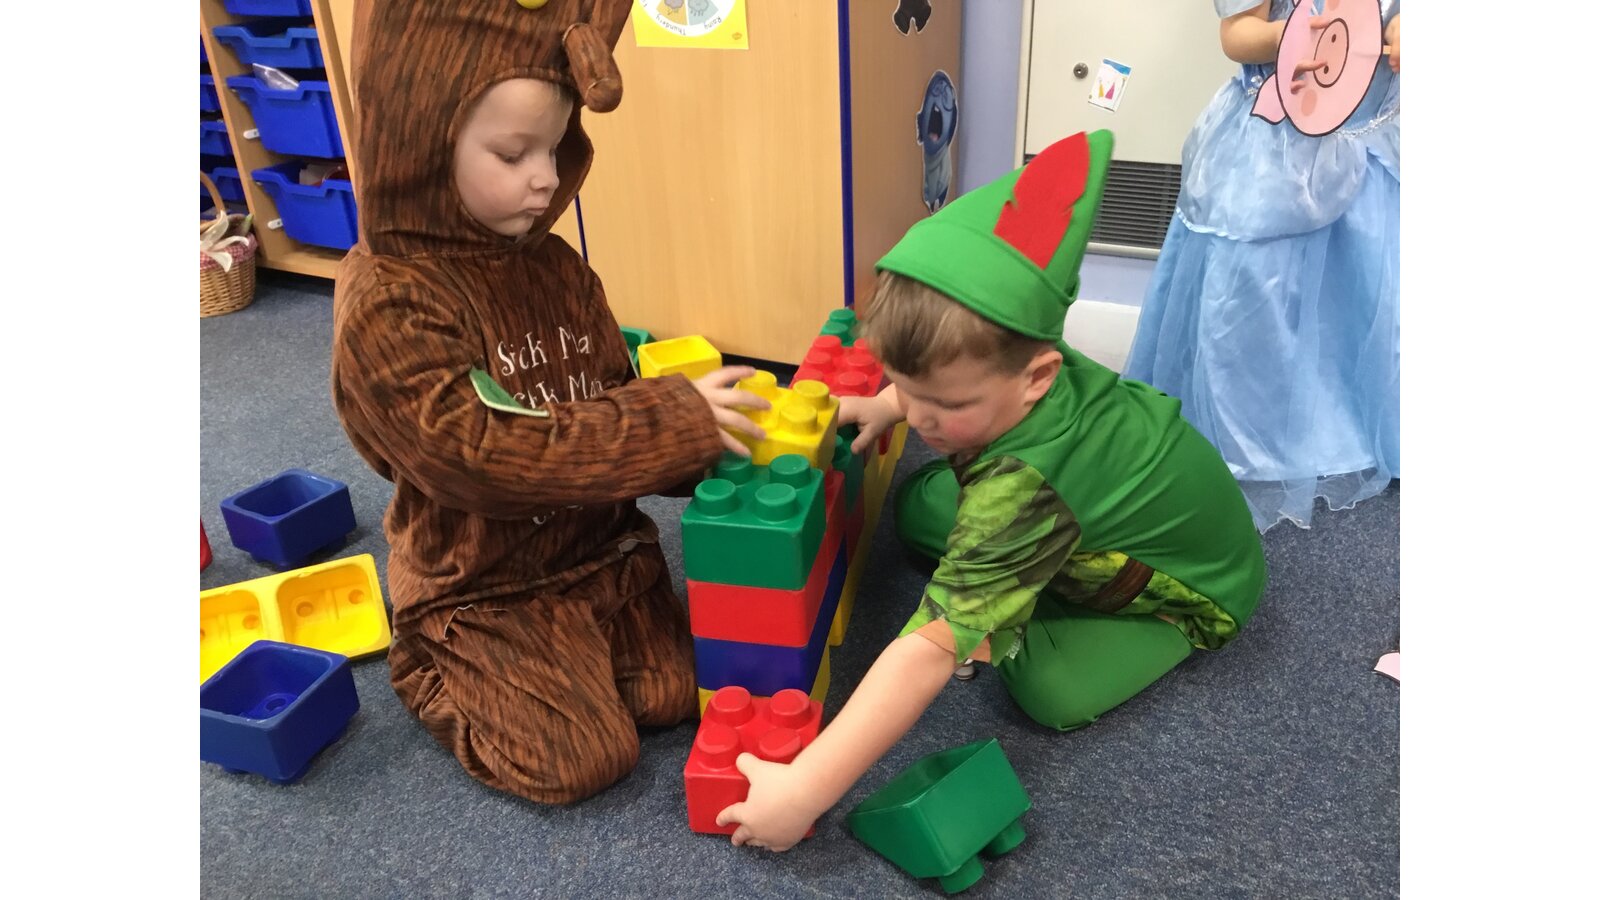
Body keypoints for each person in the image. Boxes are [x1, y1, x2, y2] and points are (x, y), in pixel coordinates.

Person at [715, 131, 1266, 850]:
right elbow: (933, 394)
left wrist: (803, 790)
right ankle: (1009, 577)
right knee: (920, 509)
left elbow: (925, 655)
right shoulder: (1017, 354)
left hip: (1182, 587)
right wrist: (887, 402)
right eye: (908, 389)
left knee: (1048, 691)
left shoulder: (1023, 486)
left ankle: (1051, 604)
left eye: (945, 403)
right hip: (1078, 509)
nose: (920, 419)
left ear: (1037, 378)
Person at [329, 0, 766, 805]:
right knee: (580, 761)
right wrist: (670, 424)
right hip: (483, 582)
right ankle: (431, 657)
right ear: (422, 143)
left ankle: (569, 643)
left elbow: (609, 391)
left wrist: (706, 443)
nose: (545, 176)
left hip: (601, 551)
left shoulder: (556, 264)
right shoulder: (391, 299)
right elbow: (480, 454)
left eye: (556, 146)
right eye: (512, 152)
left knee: (674, 694)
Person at [1123, 0, 1402, 530]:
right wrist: (1285, 39)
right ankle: (1257, 434)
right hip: (1279, 149)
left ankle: (1350, 422)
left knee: (1364, 287)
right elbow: (1237, 33)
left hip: (1371, 141)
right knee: (1257, 289)